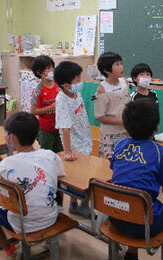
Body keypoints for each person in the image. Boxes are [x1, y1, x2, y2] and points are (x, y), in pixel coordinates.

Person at [110, 99, 163, 260]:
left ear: (125, 125)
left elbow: (121, 176)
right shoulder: (160, 153)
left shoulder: (118, 145)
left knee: (133, 199)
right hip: (145, 225)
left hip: (115, 217)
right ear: (156, 128)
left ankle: (131, 253)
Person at [0, 113, 65, 257]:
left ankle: (8, 248)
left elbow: (3, 192)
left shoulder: (5, 164)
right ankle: (50, 240)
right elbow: (60, 175)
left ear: (12, 138)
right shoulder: (50, 155)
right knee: (55, 190)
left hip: (20, 224)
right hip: (51, 219)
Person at [54, 61, 93, 217]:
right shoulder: (62, 100)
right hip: (74, 145)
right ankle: (81, 204)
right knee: (83, 178)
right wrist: (68, 151)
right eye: (77, 80)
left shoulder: (76, 93)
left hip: (85, 140)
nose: (80, 82)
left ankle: (75, 204)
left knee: (80, 177)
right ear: (65, 85)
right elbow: (64, 128)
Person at [95, 52, 131, 159]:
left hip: (126, 132)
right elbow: (99, 116)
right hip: (110, 134)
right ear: (106, 70)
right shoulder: (102, 89)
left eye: (121, 63)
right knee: (109, 164)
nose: (121, 67)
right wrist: (122, 121)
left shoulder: (125, 82)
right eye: (117, 64)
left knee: (126, 161)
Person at [29, 55, 63, 153]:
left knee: (60, 152)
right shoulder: (38, 90)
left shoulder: (58, 84)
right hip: (46, 130)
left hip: (60, 126)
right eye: (48, 68)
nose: (51, 70)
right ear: (39, 72)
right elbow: (33, 111)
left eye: (52, 67)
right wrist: (51, 108)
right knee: (47, 154)